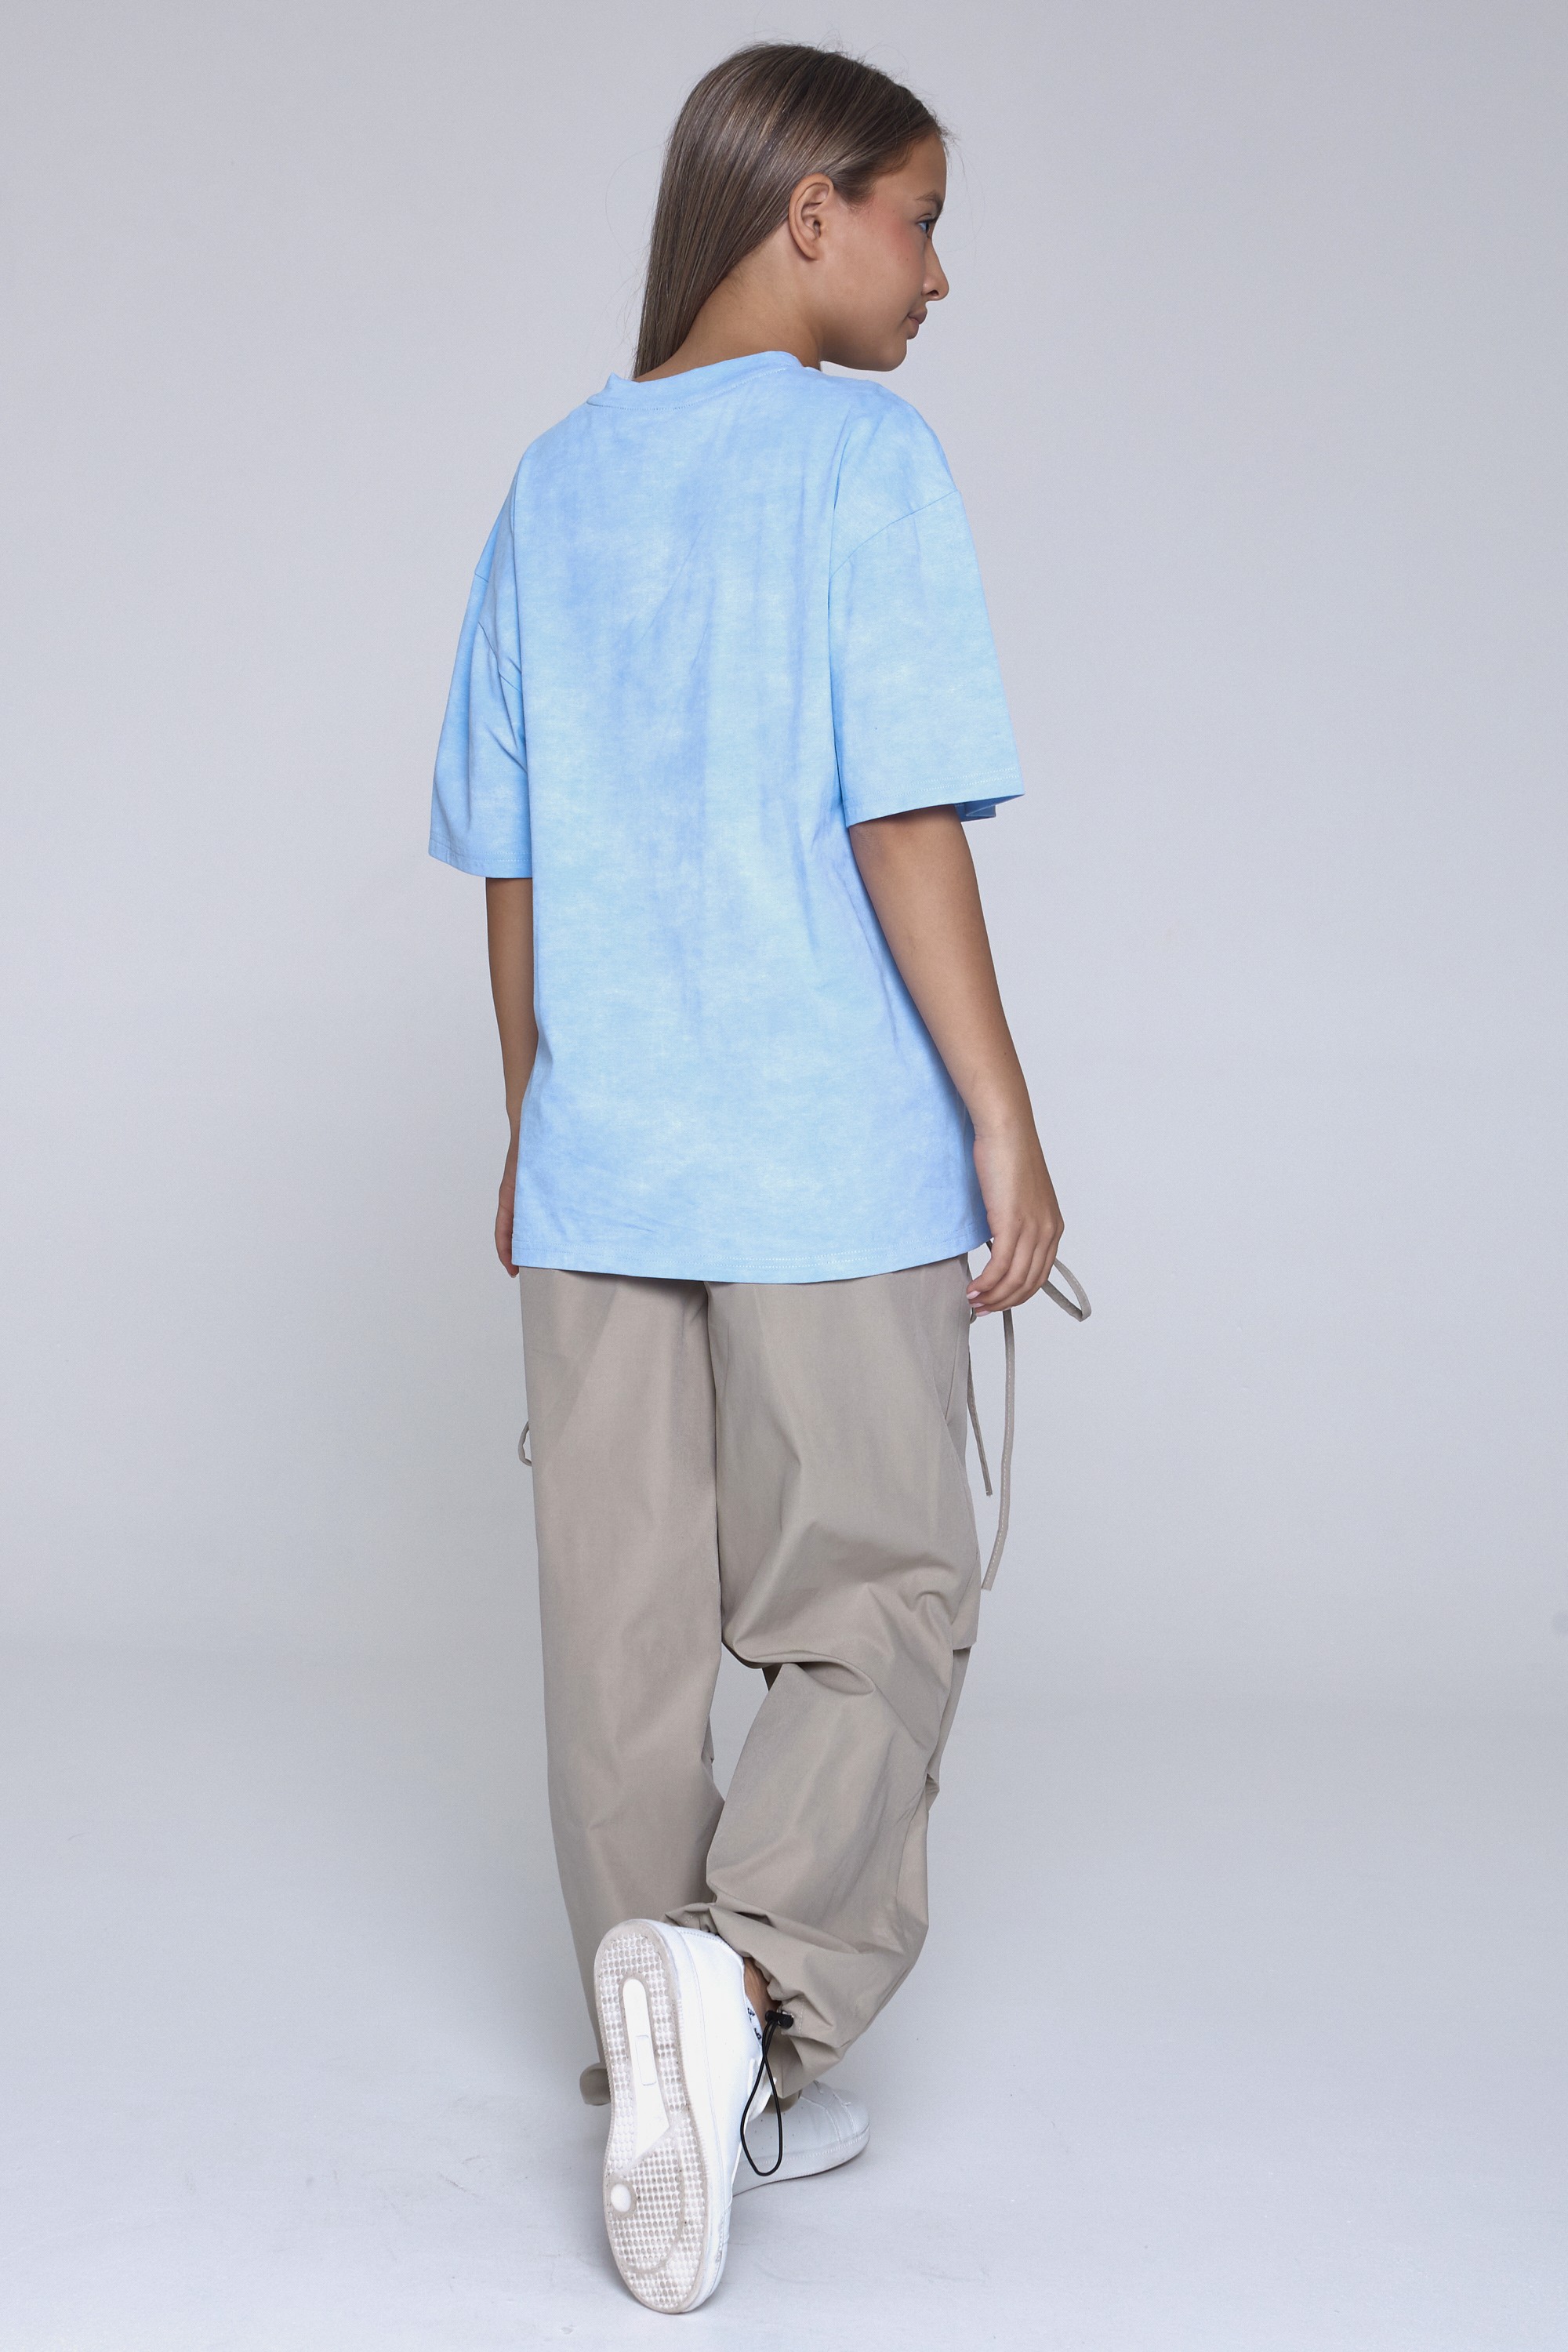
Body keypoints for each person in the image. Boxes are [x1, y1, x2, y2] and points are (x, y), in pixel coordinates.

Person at [429, 40, 1070, 2315]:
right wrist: (1003, 1111)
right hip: (823, 1160)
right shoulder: (861, 459)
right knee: (875, 1596)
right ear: (809, 211)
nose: (937, 273)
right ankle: (751, 2000)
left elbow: (509, 862)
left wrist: (537, 1119)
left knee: (615, 1640)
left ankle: (668, 2067)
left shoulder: (555, 479)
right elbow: (903, 815)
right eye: (918, 217)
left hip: (606, 1160)